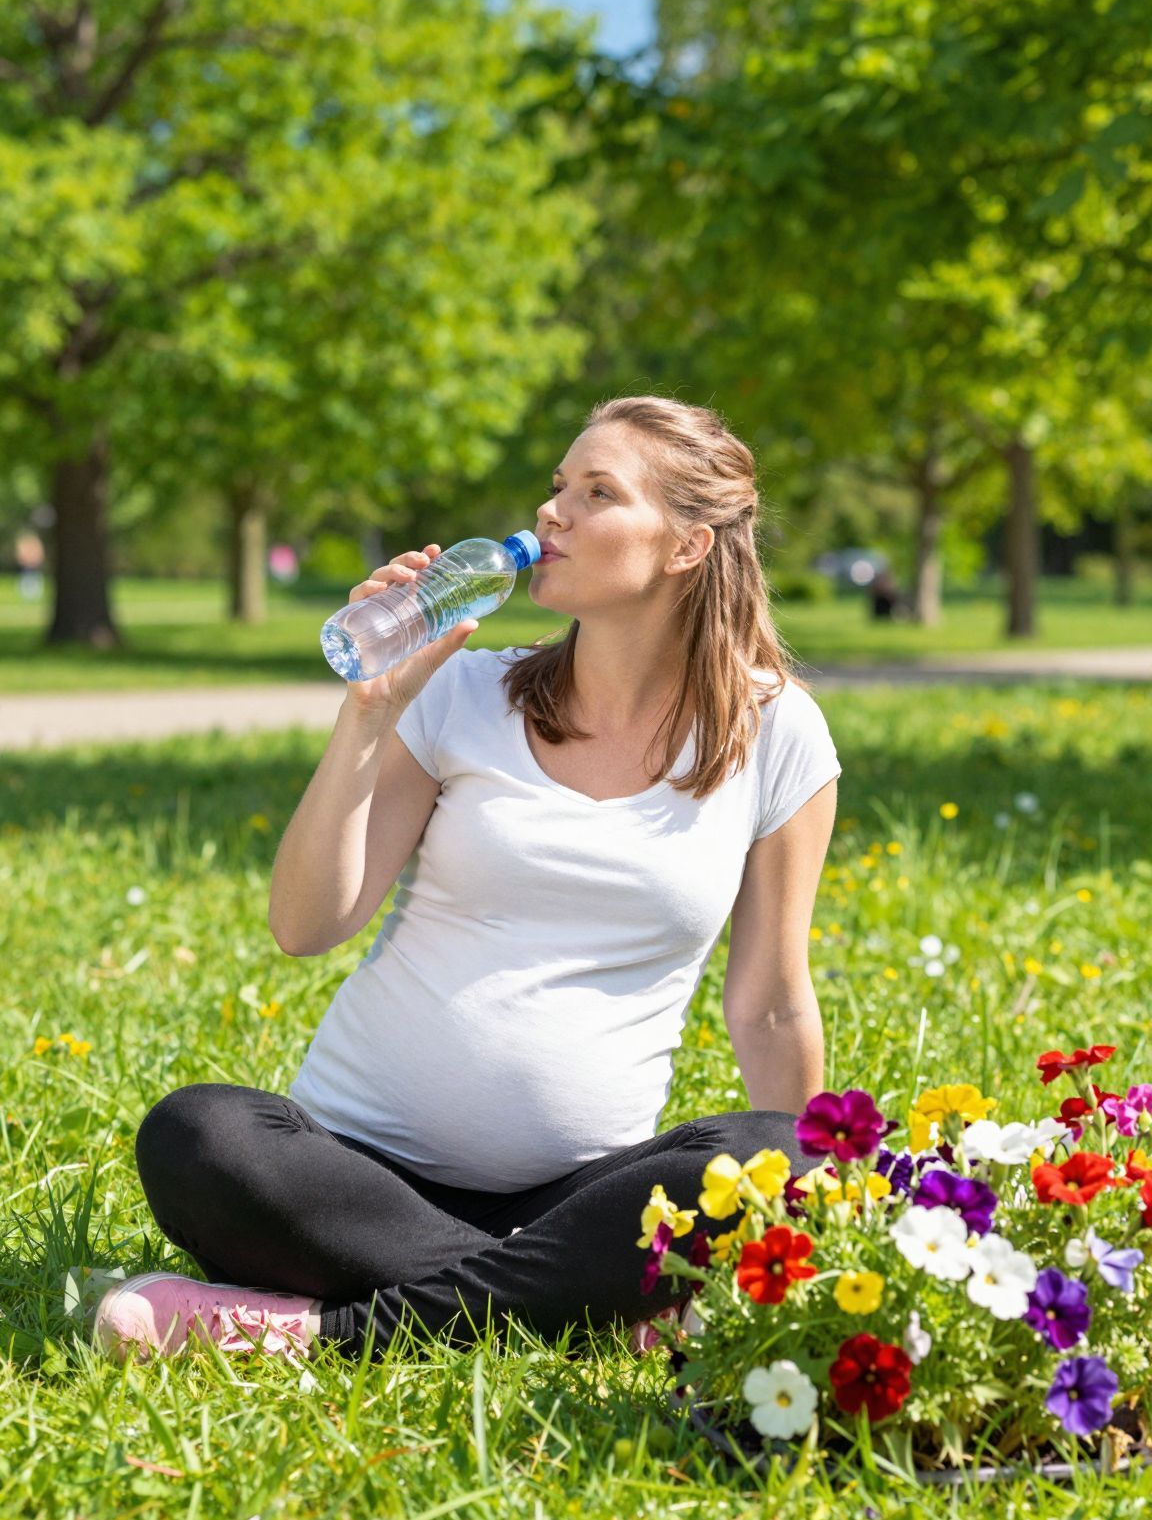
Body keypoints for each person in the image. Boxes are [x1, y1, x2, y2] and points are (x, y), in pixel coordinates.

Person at [80, 396, 841, 1368]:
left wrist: (803, 1204)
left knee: (776, 1150)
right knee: (198, 1133)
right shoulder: (462, 693)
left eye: (597, 491)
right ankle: (582, 1303)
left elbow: (772, 1005)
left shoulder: (778, 733)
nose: (552, 511)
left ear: (688, 545)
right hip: (351, 1170)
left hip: (582, 1191)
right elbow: (308, 923)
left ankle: (312, 1331)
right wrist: (369, 714)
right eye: (558, 484)